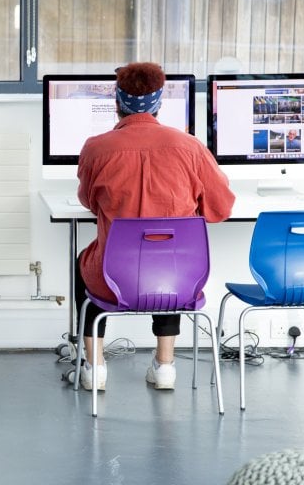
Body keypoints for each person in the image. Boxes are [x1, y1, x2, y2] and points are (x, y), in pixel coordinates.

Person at [75, 62, 235, 392]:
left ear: (117, 104)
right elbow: (221, 208)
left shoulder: (96, 148)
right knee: (168, 259)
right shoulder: (190, 147)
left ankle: (95, 369)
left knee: (82, 263)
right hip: (174, 283)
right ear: (159, 104)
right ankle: (165, 367)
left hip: (112, 280)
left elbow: (89, 203)